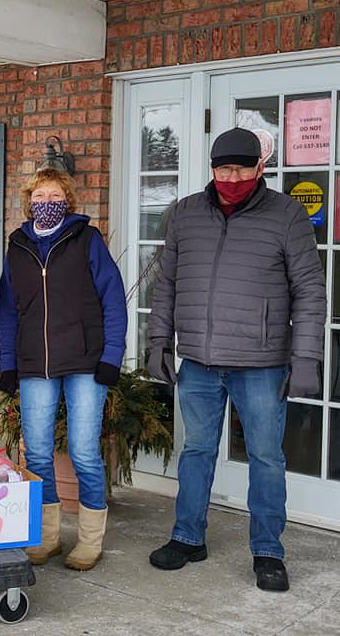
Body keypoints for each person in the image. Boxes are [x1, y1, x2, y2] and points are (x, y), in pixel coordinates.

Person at [146, 127, 326, 592]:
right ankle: (188, 537)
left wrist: (306, 358)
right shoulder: (185, 213)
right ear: (211, 168)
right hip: (200, 362)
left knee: (266, 457)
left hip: (262, 363)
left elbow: (309, 290)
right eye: (223, 168)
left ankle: (268, 550)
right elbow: (166, 285)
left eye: (241, 168)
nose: (232, 176)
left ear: (259, 168)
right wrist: (157, 342)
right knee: (196, 451)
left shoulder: (286, 215)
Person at [0, 167, 127, 572]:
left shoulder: (87, 240)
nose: (46, 202)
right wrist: (9, 364)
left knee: (84, 453)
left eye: (54, 195)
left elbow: (114, 300)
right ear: (29, 201)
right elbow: (8, 310)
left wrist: (112, 357)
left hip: (86, 361)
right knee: (36, 453)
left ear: (66, 200)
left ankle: (89, 540)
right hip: (37, 363)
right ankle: (47, 536)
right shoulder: (17, 245)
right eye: (39, 195)